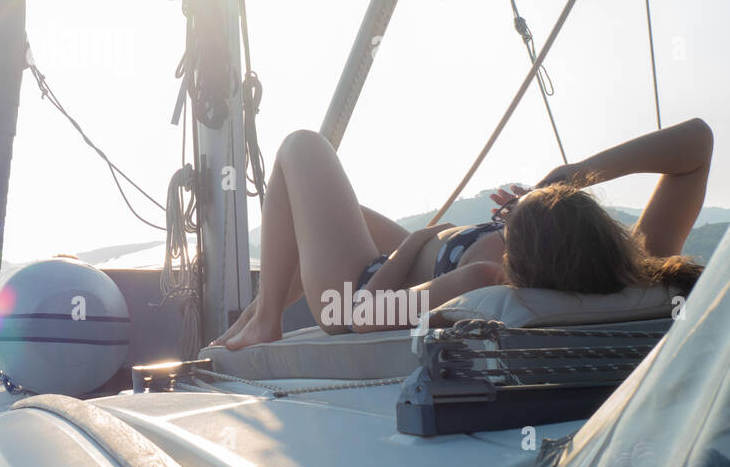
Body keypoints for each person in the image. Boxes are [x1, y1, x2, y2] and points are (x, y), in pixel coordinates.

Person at [214, 117, 713, 348]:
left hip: (359, 285)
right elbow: (698, 144)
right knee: (313, 209)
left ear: (523, 252)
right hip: (418, 258)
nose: (504, 213)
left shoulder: (481, 275)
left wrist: (415, 241)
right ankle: (259, 315)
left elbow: (359, 315)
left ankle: (264, 321)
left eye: (508, 220)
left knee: (300, 149)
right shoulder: (630, 264)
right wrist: (575, 172)